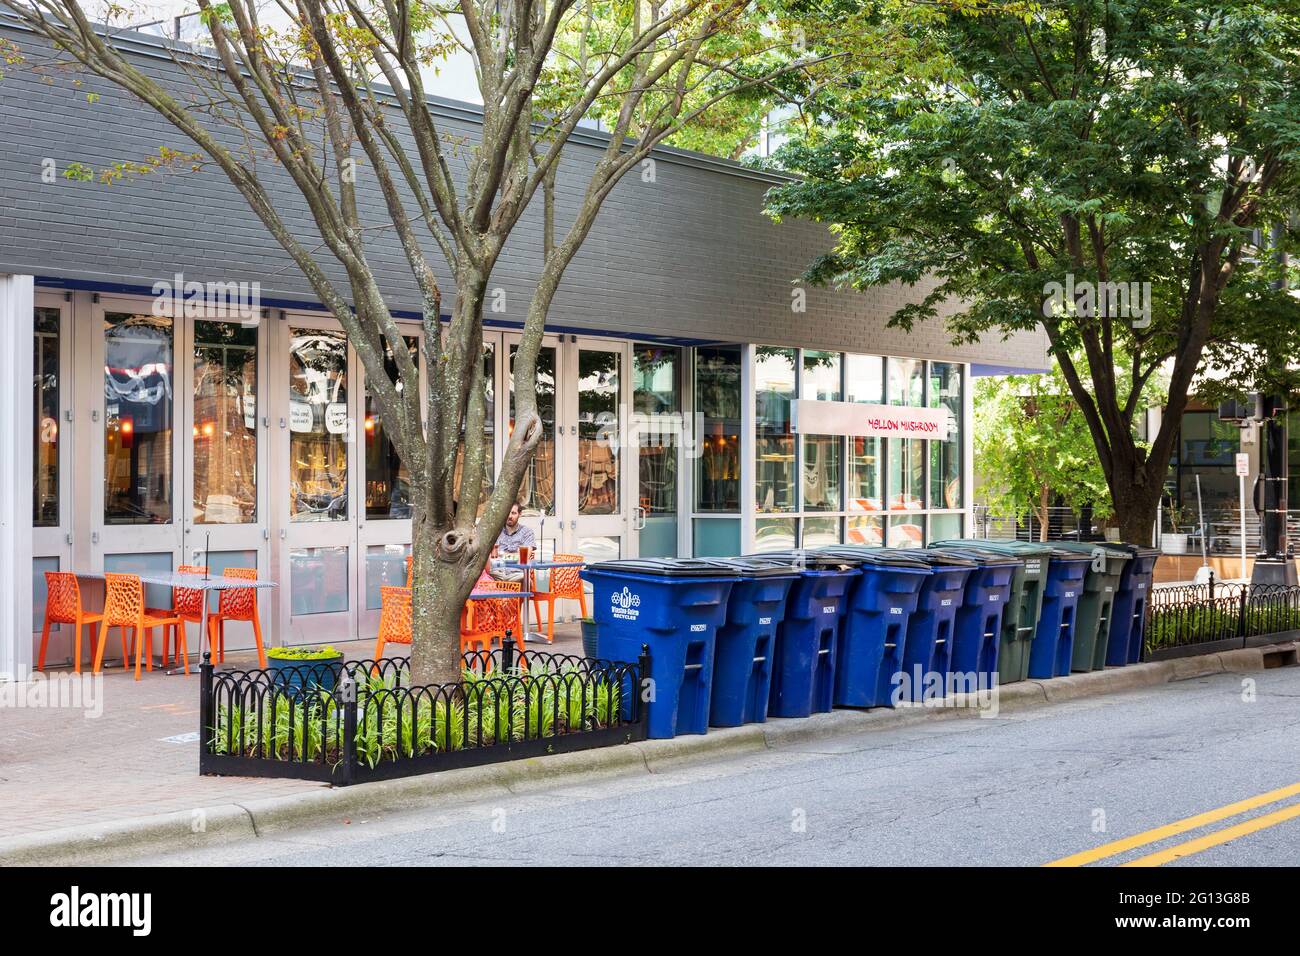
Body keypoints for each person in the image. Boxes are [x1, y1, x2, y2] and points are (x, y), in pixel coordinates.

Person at [488, 502, 535, 582]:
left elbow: (525, 556)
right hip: (497, 573)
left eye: (513, 513)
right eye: (507, 513)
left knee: (525, 579)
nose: (509, 516)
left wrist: (501, 554)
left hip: (517, 573)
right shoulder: (495, 532)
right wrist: (514, 555)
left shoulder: (527, 532)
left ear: (520, 514)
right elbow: (489, 557)